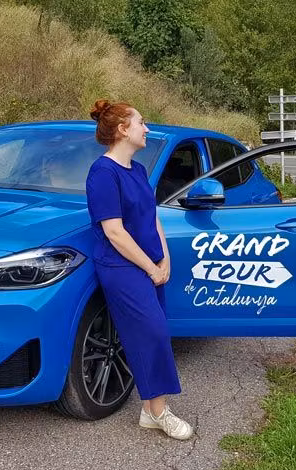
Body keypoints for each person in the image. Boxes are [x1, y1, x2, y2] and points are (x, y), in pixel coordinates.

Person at [84, 99, 193, 440]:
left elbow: (152, 215)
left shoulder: (139, 170)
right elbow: (113, 231)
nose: (146, 128)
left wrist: (165, 258)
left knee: (155, 331)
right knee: (152, 332)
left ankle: (150, 410)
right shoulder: (103, 172)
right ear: (122, 130)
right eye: (141, 122)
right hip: (121, 265)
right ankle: (159, 411)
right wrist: (150, 267)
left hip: (149, 264)